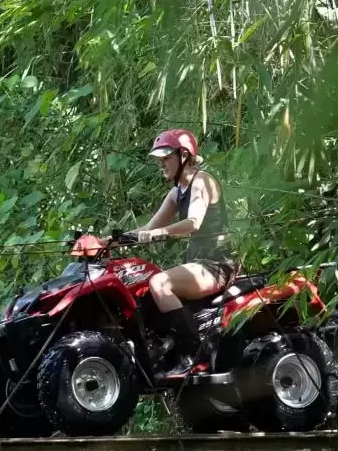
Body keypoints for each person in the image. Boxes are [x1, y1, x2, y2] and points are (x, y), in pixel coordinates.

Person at [85, 128, 232, 380]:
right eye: (159, 159)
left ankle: (195, 354)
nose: (161, 163)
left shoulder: (202, 181)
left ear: (184, 155)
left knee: (160, 282)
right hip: (197, 264)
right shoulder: (177, 192)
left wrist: (157, 234)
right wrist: (107, 242)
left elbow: (192, 224)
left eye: (166, 157)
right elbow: (147, 228)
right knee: (141, 292)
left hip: (217, 264)